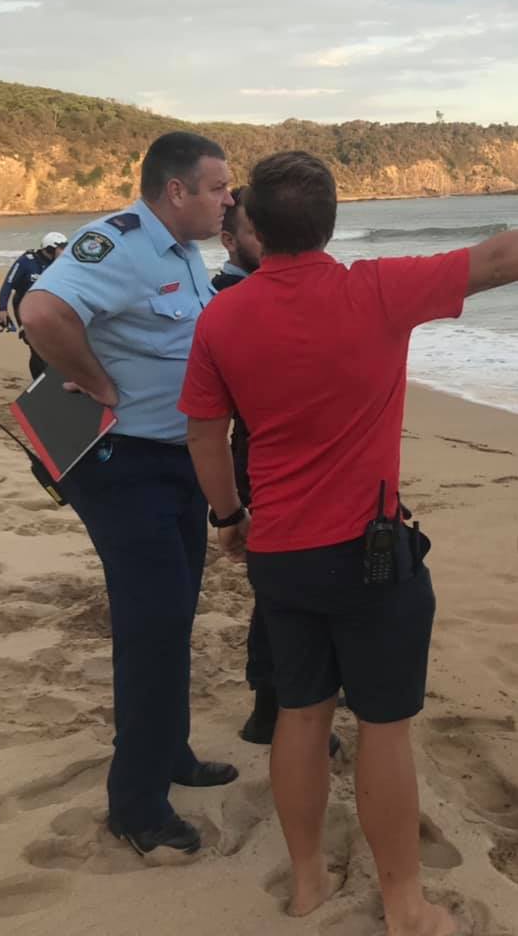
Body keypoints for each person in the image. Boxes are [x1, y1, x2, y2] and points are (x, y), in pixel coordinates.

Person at [179, 150, 518, 931]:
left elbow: (205, 435)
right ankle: (403, 900)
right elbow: (499, 257)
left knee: (301, 714)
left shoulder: (221, 316)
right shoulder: (378, 289)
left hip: (281, 556)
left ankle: (307, 884)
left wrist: (229, 519)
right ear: (331, 225)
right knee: (384, 727)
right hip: (370, 556)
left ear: (252, 225)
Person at [19, 132, 237, 862]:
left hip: (173, 460)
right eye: (216, 188)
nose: (228, 199)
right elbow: (44, 314)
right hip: (120, 463)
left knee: (173, 615)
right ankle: (138, 807)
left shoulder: (180, 250)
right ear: (176, 191)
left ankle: (169, 752)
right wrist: (103, 386)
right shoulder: (116, 244)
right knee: (151, 627)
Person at [212, 189, 341, 758]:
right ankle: (273, 707)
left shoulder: (241, 294)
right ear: (231, 241)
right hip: (260, 456)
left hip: (274, 452)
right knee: (280, 587)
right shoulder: (227, 297)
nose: (268, 245)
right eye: (256, 234)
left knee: (281, 584)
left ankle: (279, 702)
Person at [0, 231, 68, 378]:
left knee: (54, 347)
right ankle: (39, 381)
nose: (65, 252)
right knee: (36, 348)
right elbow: (8, 284)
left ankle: (50, 378)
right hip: (24, 307)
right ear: (50, 249)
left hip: (48, 308)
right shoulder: (26, 261)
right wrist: (2, 309)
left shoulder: (61, 264)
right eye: (61, 248)